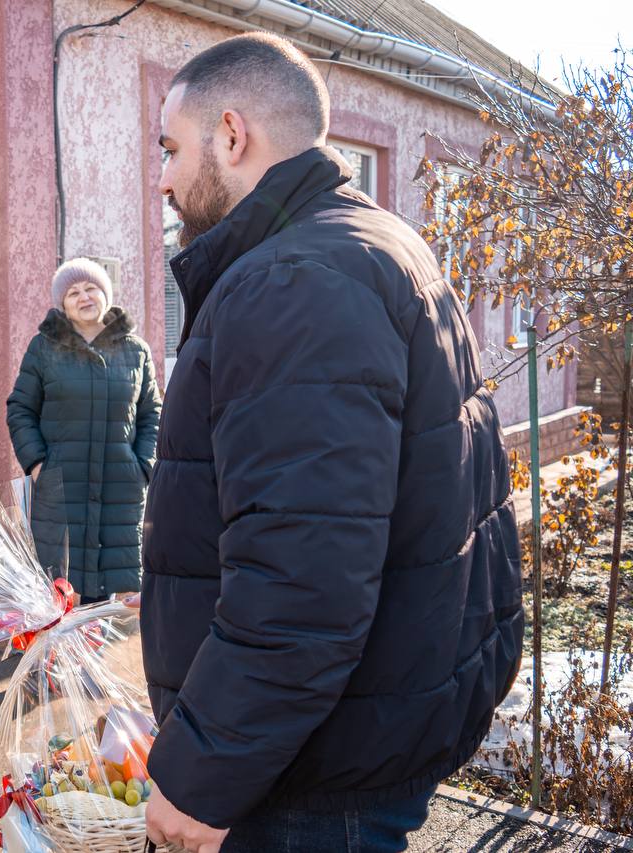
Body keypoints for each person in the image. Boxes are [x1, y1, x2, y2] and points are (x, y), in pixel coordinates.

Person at [139, 33, 523, 853]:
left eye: (170, 149)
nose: (162, 179)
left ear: (232, 136)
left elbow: (301, 576)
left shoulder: (292, 282)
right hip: (359, 733)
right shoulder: (375, 241)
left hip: (309, 775)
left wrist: (202, 774)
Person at [6, 258, 161, 603]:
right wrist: (37, 465)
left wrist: (143, 467)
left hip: (121, 493)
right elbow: (20, 409)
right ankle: (61, 659)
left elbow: (152, 413)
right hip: (62, 489)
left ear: (105, 294)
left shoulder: (135, 351)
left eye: (91, 288)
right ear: (63, 304)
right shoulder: (44, 348)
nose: (84, 297)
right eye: (73, 292)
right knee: (61, 599)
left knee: (118, 610)